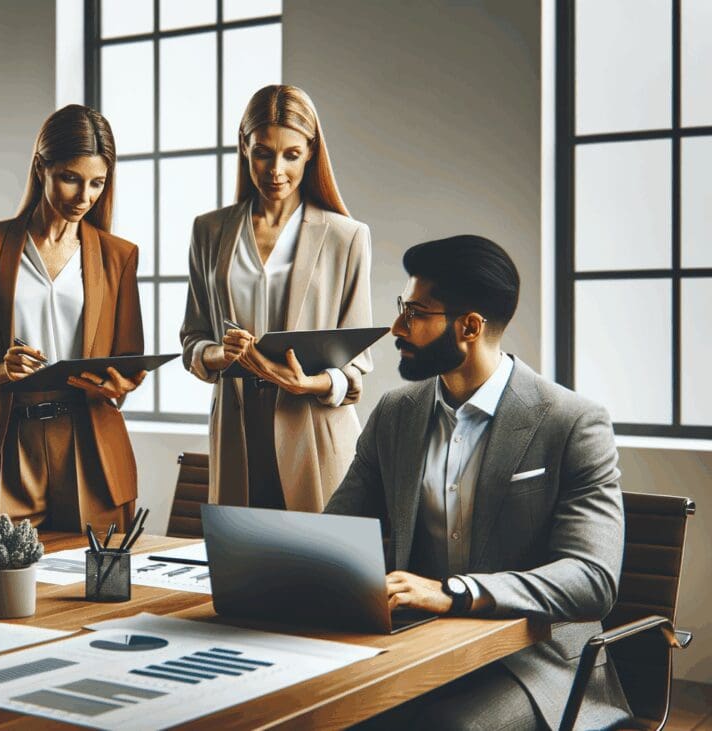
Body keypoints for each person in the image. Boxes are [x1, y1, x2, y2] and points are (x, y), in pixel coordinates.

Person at [327, 236, 629, 730]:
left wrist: (455, 593)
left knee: (447, 727)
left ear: (469, 326)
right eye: (403, 308)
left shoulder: (573, 422)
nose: (397, 327)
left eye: (415, 313)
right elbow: (338, 530)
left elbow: (591, 579)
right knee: (333, 715)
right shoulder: (395, 414)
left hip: (537, 659)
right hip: (419, 645)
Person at [0, 105, 146, 532]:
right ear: (41, 168)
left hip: (93, 440)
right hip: (11, 440)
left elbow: (129, 360)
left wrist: (121, 385)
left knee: (95, 571)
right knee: (3, 569)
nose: (84, 197)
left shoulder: (119, 256)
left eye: (97, 183)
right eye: (70, 178)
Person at [180, 84, 373, 512]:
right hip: (236, 431)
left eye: (292, 154)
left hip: (314, 429)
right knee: (241, 551)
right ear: (244, 148)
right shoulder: (208, 231)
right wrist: (218, 354)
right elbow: (193, 338)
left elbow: (356, 362)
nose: (276, 170)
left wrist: (310, 383)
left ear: (311, 152)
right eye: (263, 153)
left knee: (318, 553)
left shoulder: (347, 237)